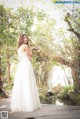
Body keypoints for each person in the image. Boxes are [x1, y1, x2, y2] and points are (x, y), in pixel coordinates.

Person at [10, 34, 41, 112]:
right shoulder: (25, 46)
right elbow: (30, 56)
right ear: (22, 39)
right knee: (28, 83)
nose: (26, 39)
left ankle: (22, 105)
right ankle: (29, 105)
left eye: (26, 38)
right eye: (24, 38)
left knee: (22, 84)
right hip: (26, 65)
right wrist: (30, 49)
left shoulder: (19, 47)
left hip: (21, 66)